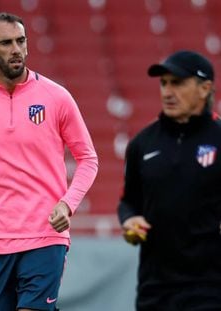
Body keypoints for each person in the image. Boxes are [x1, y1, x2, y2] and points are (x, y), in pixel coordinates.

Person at [0, 12, 98, 311]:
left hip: (45, 235)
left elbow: (88, 158)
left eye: (21, 41)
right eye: (6, 43)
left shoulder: (57, 97)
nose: (16, 49)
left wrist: (68, 203)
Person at [118, 50, 221, 310]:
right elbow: (129, 202)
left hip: (210, 287)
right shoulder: (142, 144)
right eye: (164, 83)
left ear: (204, 88)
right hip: (155, 289)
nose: (167, 91)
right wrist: (129, 220)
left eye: (178, 82)